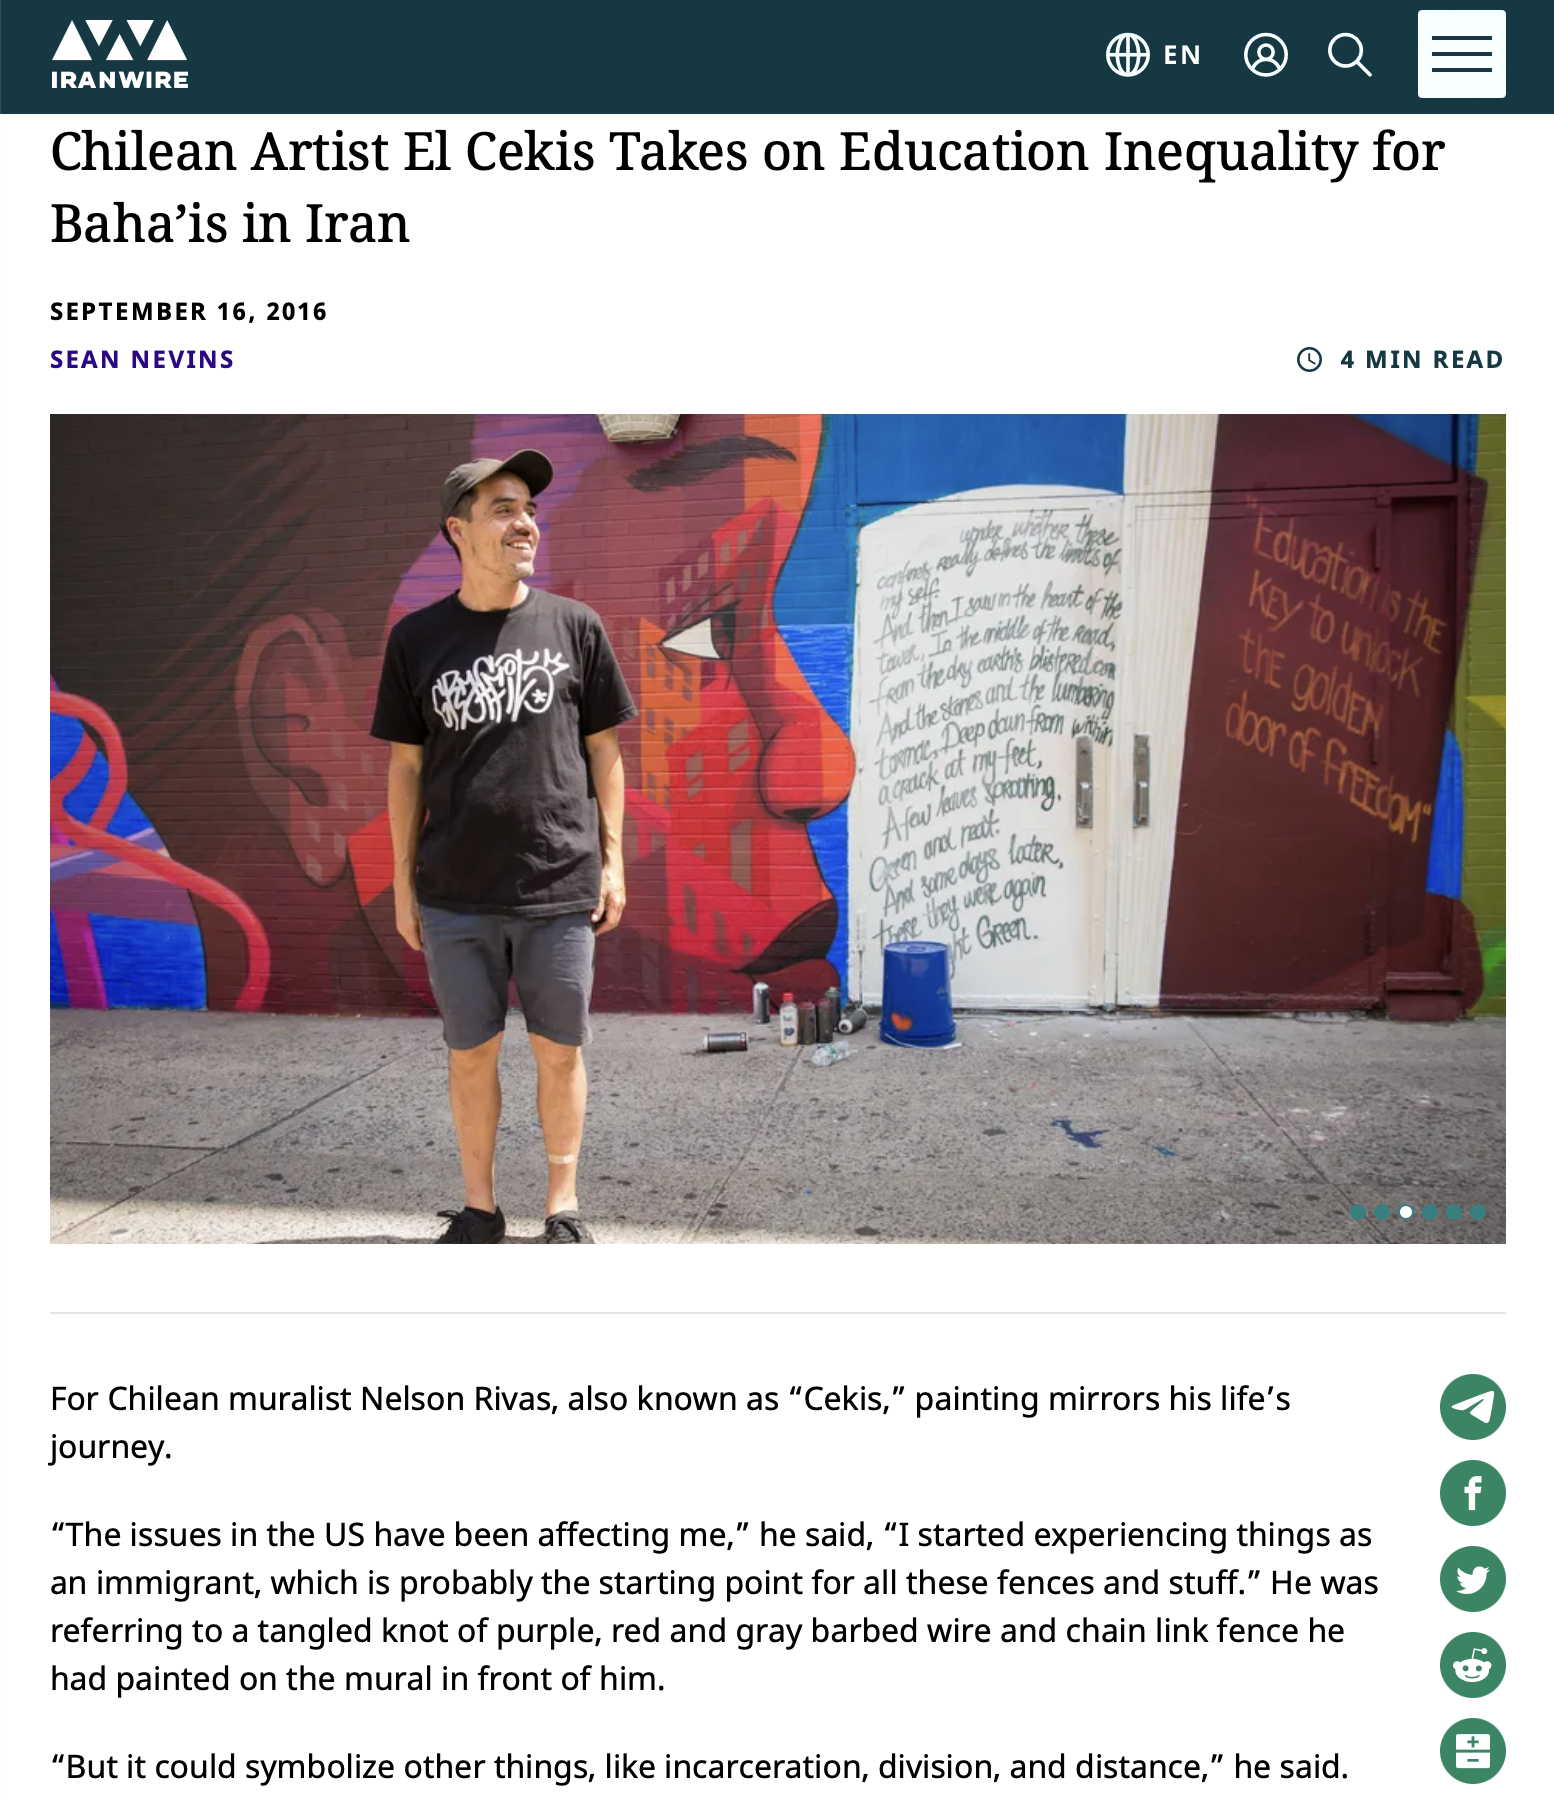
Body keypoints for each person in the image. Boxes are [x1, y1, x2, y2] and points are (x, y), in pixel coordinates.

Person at [370, 449, 637, 1243]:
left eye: (527, 508)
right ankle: (481, 1208)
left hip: (557, 886)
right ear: (459, 530)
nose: (524, 523)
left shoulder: (573, 626)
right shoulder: (417, 640)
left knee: (559, 1053)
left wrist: (614, 859)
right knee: (470, 1056)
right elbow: (405, 767)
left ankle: (563, 1206)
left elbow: (605, 754)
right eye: (502, 509)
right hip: (453, 892)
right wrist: (400, 884)